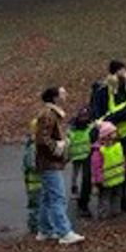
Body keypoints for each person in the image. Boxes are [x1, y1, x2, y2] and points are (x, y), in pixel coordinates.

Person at [34, 86, 83, 244]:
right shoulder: (48, 114)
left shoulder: (52, 113)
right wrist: (58, 148)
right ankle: (64, 232)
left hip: (49, 162)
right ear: (55, 98)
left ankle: (45, 230)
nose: (66, 94)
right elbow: (42, 139)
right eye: (62, 93)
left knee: (48, 198)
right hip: (50, 163)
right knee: (58, 197)